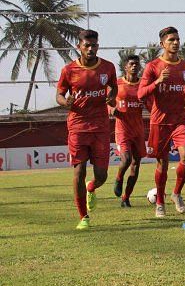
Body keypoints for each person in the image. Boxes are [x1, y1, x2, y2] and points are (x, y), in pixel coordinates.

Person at [56, 29, 117, 230]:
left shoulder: (108, 67)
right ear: (79, 47)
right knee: (79, 169)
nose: (91, 49)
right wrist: (66, 102)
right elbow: (59, 95)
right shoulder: (69, 70)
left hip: (100, 125)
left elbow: (113, 87)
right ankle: (83, 216)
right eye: (87, 46)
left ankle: (92, 187)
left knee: (102, 175)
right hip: (78, 124)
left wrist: (111, 96)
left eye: (94, 45)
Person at [138, 26, 185, 218]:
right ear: (162, 43)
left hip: (180, 120)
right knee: (162, 164)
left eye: (177, 39)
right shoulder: (153, 67)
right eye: (171, 40)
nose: (176, 43)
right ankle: (160, 203)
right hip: (159, 121)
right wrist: (157, 82)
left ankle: (176, 193)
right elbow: (140, 93)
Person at [111, 54, 146, 208]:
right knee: (126, 159)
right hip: (122, 129)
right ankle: (119, 178)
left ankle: (126, 197)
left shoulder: (143, 85)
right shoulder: (117, 84)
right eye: (131, 64)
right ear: (125, 67)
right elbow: (106, 101)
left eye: (137, 64)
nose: (134, 66)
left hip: (138, 130)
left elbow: (150, 100)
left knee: (136, 164)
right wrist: (111, 109)